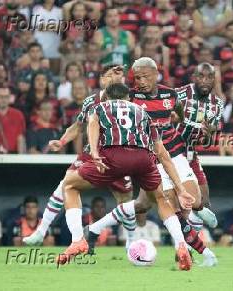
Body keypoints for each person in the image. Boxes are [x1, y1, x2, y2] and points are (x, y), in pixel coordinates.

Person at [86, 58, 217, 267]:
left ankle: (92, 230)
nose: (141, 81)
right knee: (173, 205)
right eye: (137, 78)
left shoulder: (170, 95)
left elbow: (179, 115)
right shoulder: (132, 97)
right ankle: (187, 250)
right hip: (152, 158)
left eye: (145, 76)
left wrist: (182, 122)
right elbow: (107, 104)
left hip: (175, 153)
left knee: (149, 204)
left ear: (156, 74)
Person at [58, 82, 193, 270]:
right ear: (129, 98)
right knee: (161, 200)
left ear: (106, 97)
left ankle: (78, 240)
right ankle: (181, 246)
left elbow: (93, 123)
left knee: (70, 185)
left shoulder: (100, 107)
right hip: (143, 158)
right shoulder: (142, 112)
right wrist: (181, 189)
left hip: (113, 156)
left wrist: (95, 153)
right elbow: (163, 154)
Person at [23, 65, 133, 246]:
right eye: (108, 76)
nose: (112, 79)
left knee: (126, 201)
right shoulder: (91, 101)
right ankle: (42, 232)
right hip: (92, 154)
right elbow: (78, 126)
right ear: (101, 80)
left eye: (116, 75)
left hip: (119, 156)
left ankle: (131, 241)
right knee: (66, 184)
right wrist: (62, 141)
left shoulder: (128, 101)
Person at [175, 63, 224, 227]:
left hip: (190, 154)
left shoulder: (217, 104)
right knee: (180, 204)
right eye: (201, 76)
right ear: (194, 77)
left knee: (204, 201)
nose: (205, 81)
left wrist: (210, 134)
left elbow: (207, 142)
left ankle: (190, 244)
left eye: (210, 77)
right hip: (170, 153)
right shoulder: (179, 95)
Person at [0, 87, 26, 154]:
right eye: (1, 97)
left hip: (13, 155)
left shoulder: (18, 115)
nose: (3, 99)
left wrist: (21, 158)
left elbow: (20, 138)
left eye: (6, 97)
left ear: (9, 98)